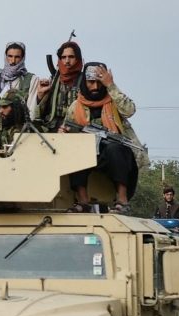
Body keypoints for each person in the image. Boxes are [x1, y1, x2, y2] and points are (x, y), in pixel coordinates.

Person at [62, 62, 140, 214]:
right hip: (88, 154)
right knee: (77, 150)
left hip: (114, 153)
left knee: (115, 148)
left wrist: (110, 85)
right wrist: (64, 132)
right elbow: (68, 129)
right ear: (84, 82)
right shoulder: (76, 106)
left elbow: (130, 110)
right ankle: (83, 201)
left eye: (99, 82)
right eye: (91, 82)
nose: (95, 87)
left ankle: (122, 200)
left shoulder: (113, 101)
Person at [0, 41, 40, 122]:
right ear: (5, 57)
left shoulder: (31, 79)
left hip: (20, 129)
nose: (13, 61)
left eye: (17, 57)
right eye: (10, 56)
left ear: (22, 58)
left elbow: (32, 111)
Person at [35, 41, 83, 131]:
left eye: (71, 57)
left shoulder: (84, 81)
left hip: (74, 128)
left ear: (78, 59)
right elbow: (40, 113)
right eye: (63, 57)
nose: (67, 61)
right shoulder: (54, 80)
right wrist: (40, 96)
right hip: (51, 127)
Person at [0, 90, 29, 155]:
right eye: (0, 106)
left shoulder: (29, 131)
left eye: (4, 107)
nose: (0, 111)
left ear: (16, 108)